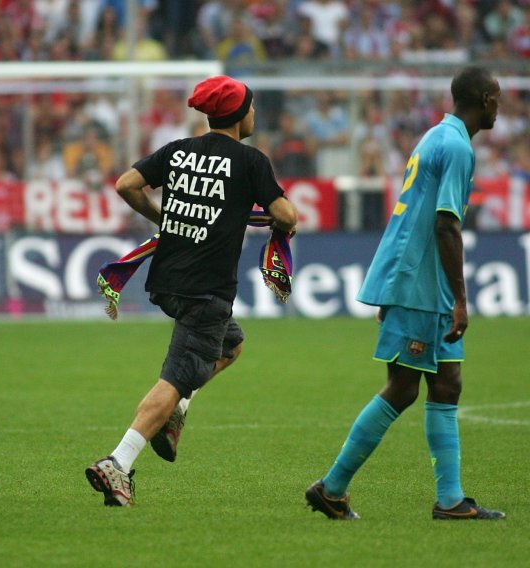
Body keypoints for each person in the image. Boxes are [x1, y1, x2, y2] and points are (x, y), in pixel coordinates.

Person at [85, 75, 299, 507]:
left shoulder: (178, 150)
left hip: (168, 281)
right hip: (207, 290)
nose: (255, 114)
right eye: (252, 107)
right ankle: (118, 463)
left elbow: (127, 184)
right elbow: (287, 214)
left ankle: (177, 410)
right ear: (240, 114)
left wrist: (161, 216)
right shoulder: (250, 160)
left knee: (232, 345)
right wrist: (282, 222)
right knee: (177, 377)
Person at [305, 67, 506, 521]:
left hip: (415, 279)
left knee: (447, 382)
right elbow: (445, 223)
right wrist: (460, 298)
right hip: (421, 283)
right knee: (402, 388)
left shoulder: (437, 136)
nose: (501, 106)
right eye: (498, 97)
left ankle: (450, 500)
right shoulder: (456, 146)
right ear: (486, 99)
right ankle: (332, 487)